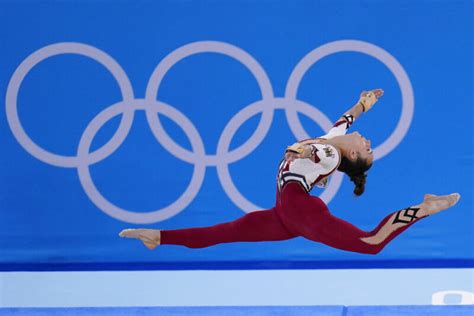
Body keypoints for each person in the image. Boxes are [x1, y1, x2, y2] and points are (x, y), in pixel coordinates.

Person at [119, 89, 460, 254]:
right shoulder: (334, 140)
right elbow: (344, 121)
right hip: (285, 213)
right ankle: (158, 236)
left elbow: (316, 151)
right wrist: (363, 104)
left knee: (371, 243)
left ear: (352, 153)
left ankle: (426, 207)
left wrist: (299, 150)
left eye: (368, 148)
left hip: (300, 210)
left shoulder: (327, 152)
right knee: (222, 232)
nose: (368, 141)